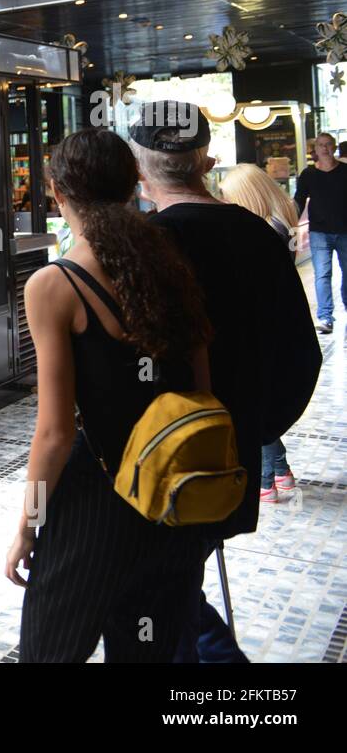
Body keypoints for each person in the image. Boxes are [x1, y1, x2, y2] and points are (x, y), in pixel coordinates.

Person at [5, 129, 214, 661]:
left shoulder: (54, 286)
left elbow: (54, 433)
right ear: (133, 183)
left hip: (93, 504)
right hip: (171, 497)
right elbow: (201, 389)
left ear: (56, 191)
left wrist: (28, 527)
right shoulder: (173, 263)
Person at [129, 101, 320, 663]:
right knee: (175, 588)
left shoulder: (147, 244)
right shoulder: (258, 234)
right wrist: (255, 426)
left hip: (165, 461)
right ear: (206, 160)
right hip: (234, 450)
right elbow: (300, 353)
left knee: (159, 595)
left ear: (139, 171)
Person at [218, 164, 302, 503]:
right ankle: (277, 472)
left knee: (254, 404)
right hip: (275, 327)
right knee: (259, 402)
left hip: (259, 330)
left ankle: (269, 477)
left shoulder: (263, 231)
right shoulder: (280, 220)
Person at [294, 133, 347, 333]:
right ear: (315, 150)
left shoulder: (345, 171)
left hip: (345, 231)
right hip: (319, 233)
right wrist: (291, 220)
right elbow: (299, 199)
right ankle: (325, 317)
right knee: (322, 275)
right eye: (320, 145)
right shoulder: (308, 175)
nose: (324, 149)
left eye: (328, 145)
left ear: (334, 148)